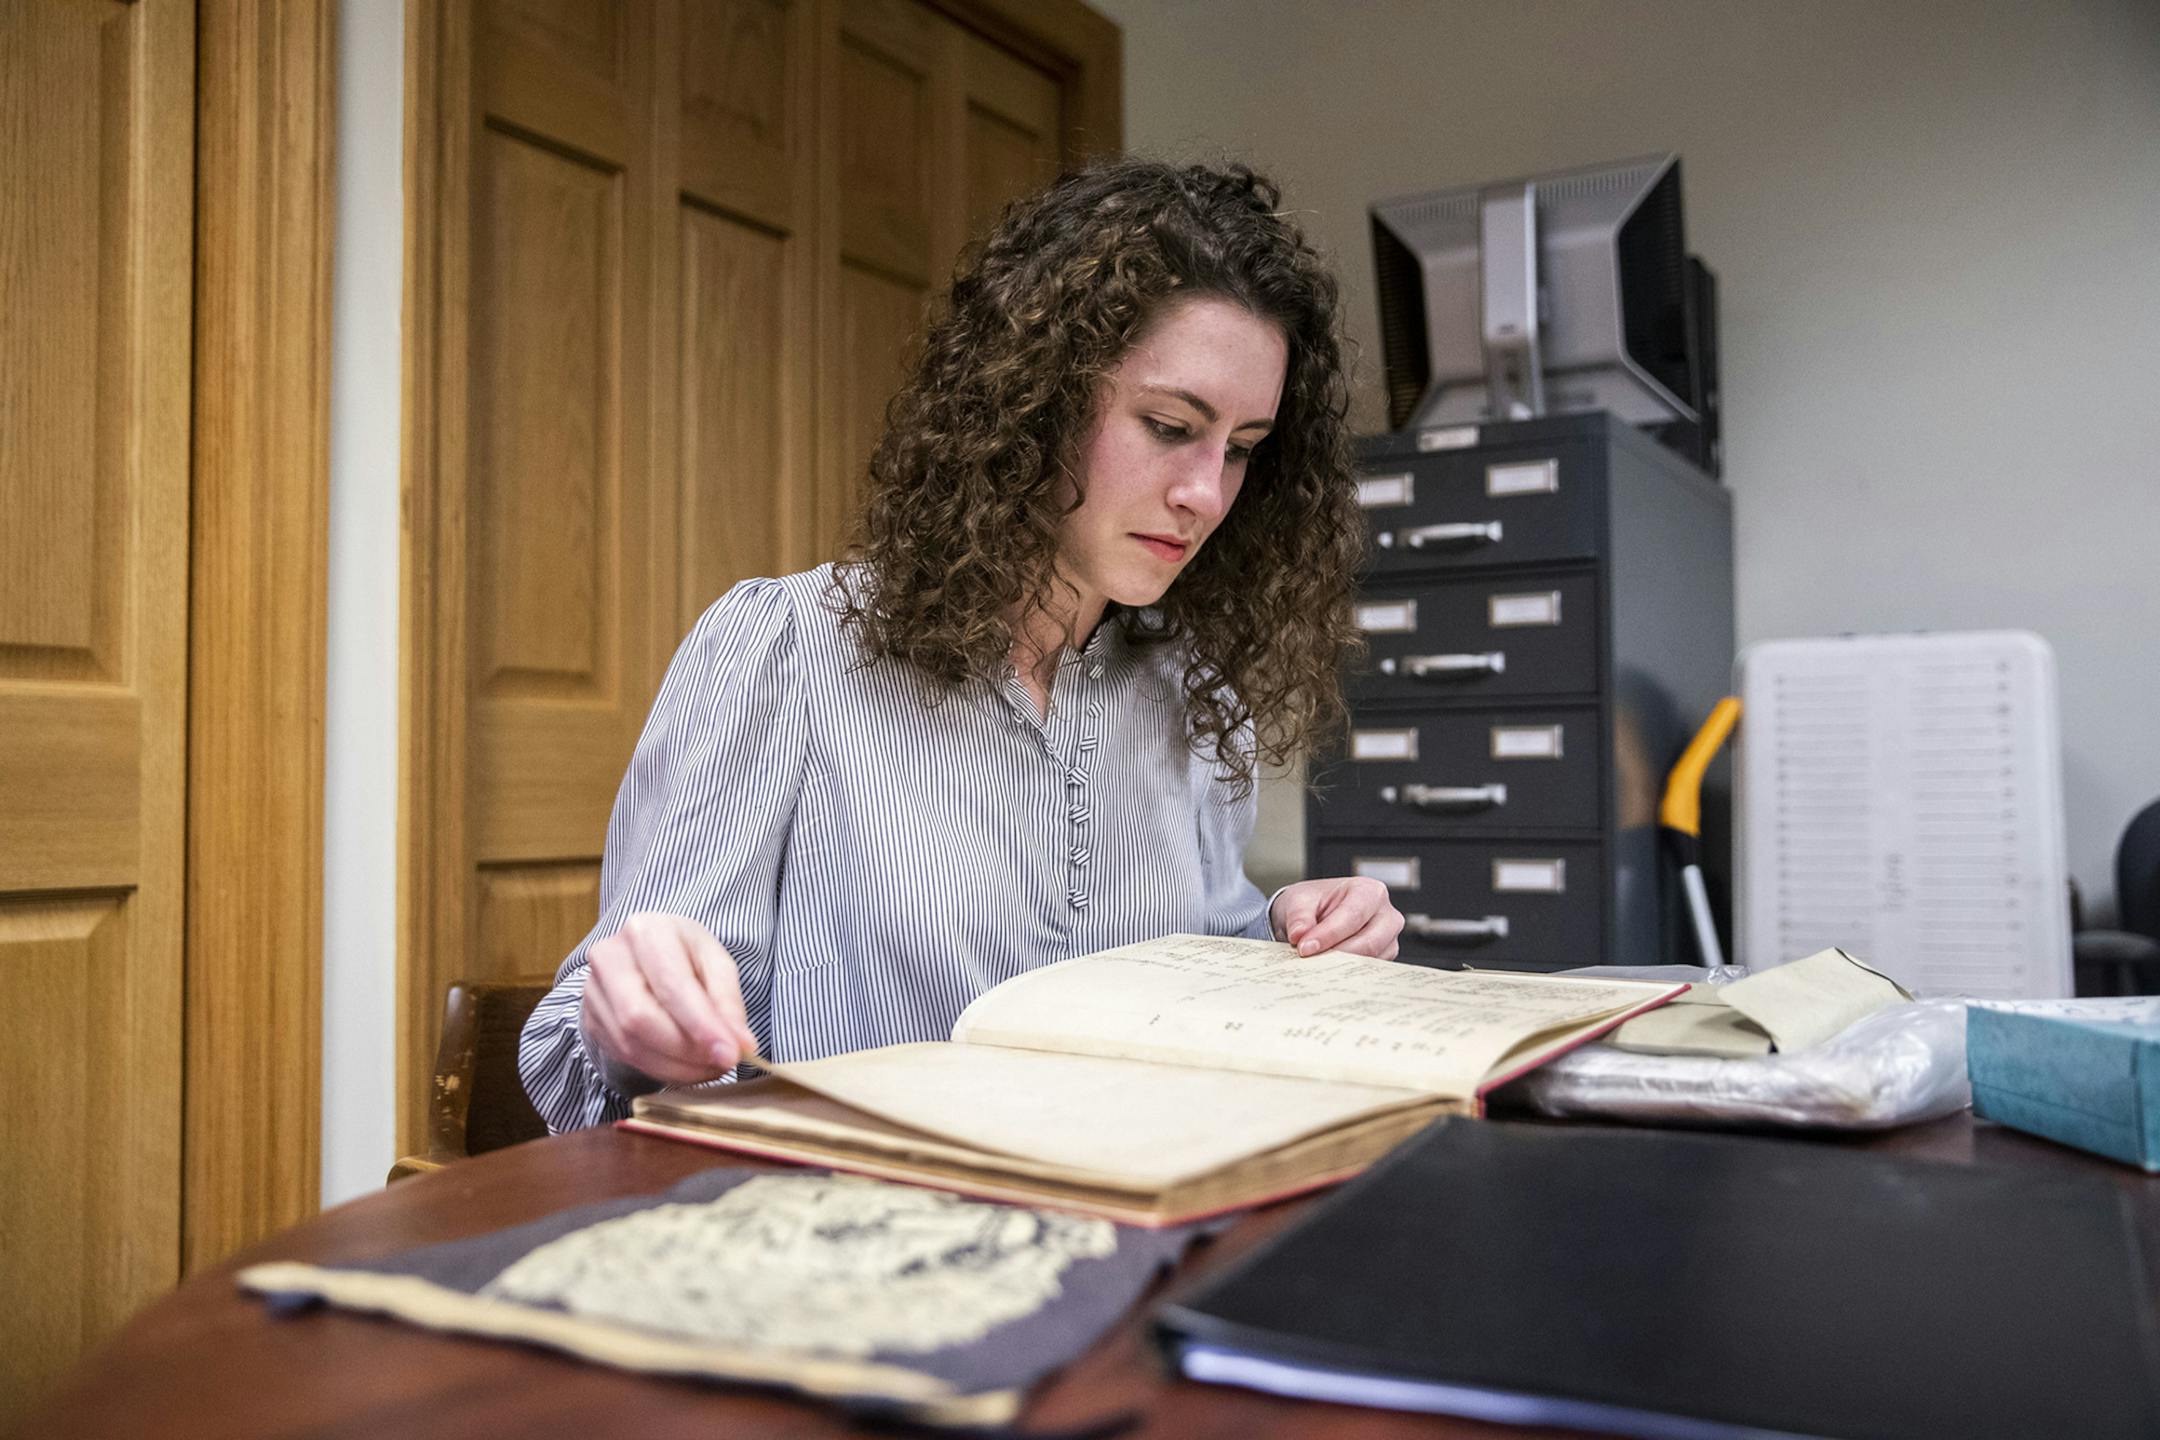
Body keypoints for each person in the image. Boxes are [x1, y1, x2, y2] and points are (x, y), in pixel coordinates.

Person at [519, 157, 1405, 1133]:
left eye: (1239, 449)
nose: (1205, 492)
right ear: (1040, 399)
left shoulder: (1191, 696)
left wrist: (1290, 936)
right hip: (858, 1208)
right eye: (1168, 426)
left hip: (1133, 1200)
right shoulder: (787, 653)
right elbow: (576, 1048)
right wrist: (638, 1037)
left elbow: (1197, 950)